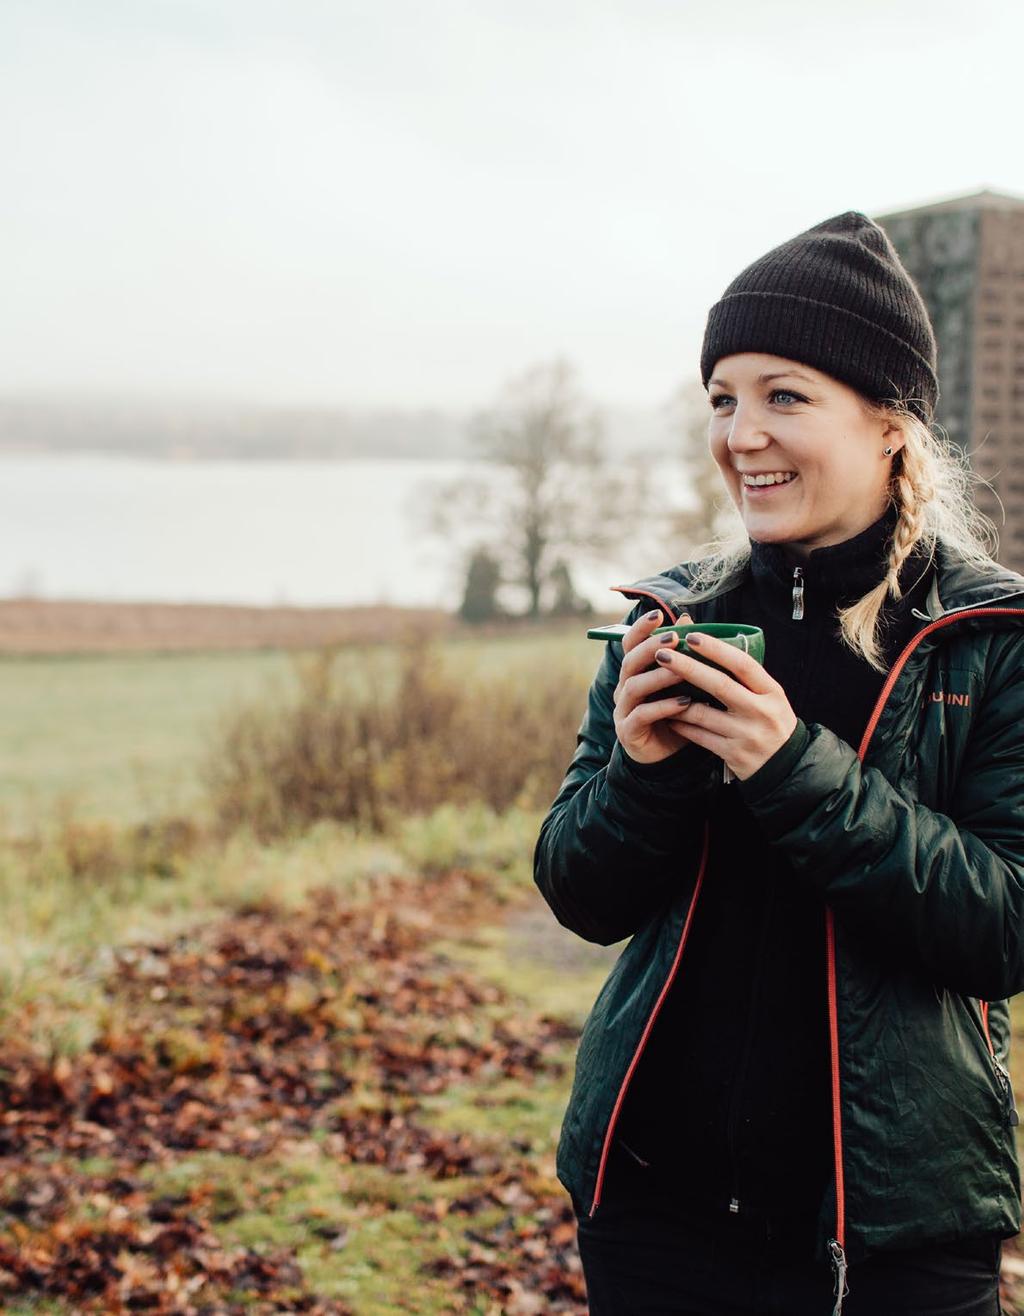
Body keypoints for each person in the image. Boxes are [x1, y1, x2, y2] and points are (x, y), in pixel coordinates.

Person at [534, 211, 1024, 1316]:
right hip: (653, 1217)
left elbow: (1003, 924)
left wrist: (791, 765)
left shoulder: (986, 640)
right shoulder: (673, 616)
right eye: (721, 397)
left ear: (889, 421)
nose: (739, 433)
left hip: (893, 1241)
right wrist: (643, 772)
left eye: (783, 395)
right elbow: (578, 889)